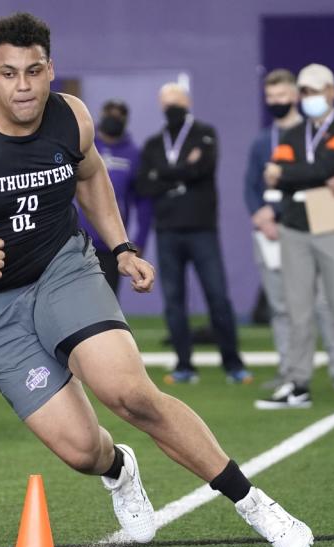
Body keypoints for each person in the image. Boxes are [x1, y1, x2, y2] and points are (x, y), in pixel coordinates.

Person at [0, 12, 313, 547]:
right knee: (82, 451)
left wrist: (122, 247)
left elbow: (91, 178)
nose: (24, 86)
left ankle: (254, 503)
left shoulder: (71, 118)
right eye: (9, 73)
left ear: (51, 69)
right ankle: (120, 469)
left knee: (129, 393)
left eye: (34, 71)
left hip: (63, 269)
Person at [257, 63, 334, 409]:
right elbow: (276, 175)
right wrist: (317, 176)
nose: (310, 98)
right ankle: (296, 381)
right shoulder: (293, 134)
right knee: (297, 309)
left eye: (316, 91)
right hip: (294, 226)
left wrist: (295, 174)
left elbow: (328, 165)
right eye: (305, 92)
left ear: (332, 92)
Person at [136, 83, 252, 384]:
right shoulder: (153, 143)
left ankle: (233, 364)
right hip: (168, 231)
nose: (170, 105)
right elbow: (145, 185)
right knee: (174, 301)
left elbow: (204, 168)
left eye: (175, 100)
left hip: (202, 229)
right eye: (165, 101)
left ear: (187, 101)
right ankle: (184, 365)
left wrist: (164, 175)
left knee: (218, 297)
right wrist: (182, 172)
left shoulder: (205, 133)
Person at [244, 69, 334, 389]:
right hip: (270, 233)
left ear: (296, 96)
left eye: (282, 96)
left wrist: (288, 217)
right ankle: (290, 371)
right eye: (270, 97)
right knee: (281, 307)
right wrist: (261, 214)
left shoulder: (311, 135)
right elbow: (250, 184)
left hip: (308, 229)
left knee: (325, 303)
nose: (276, 102)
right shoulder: (262, 140)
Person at [77, 99, 152, 293]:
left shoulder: (134, 154)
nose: (114, 118)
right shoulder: (84, 145)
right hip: (78, 240)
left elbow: (143, 201)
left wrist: (139, 241)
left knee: (105, 300)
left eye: (119, 115)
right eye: (110, 113)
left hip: (111, 244)